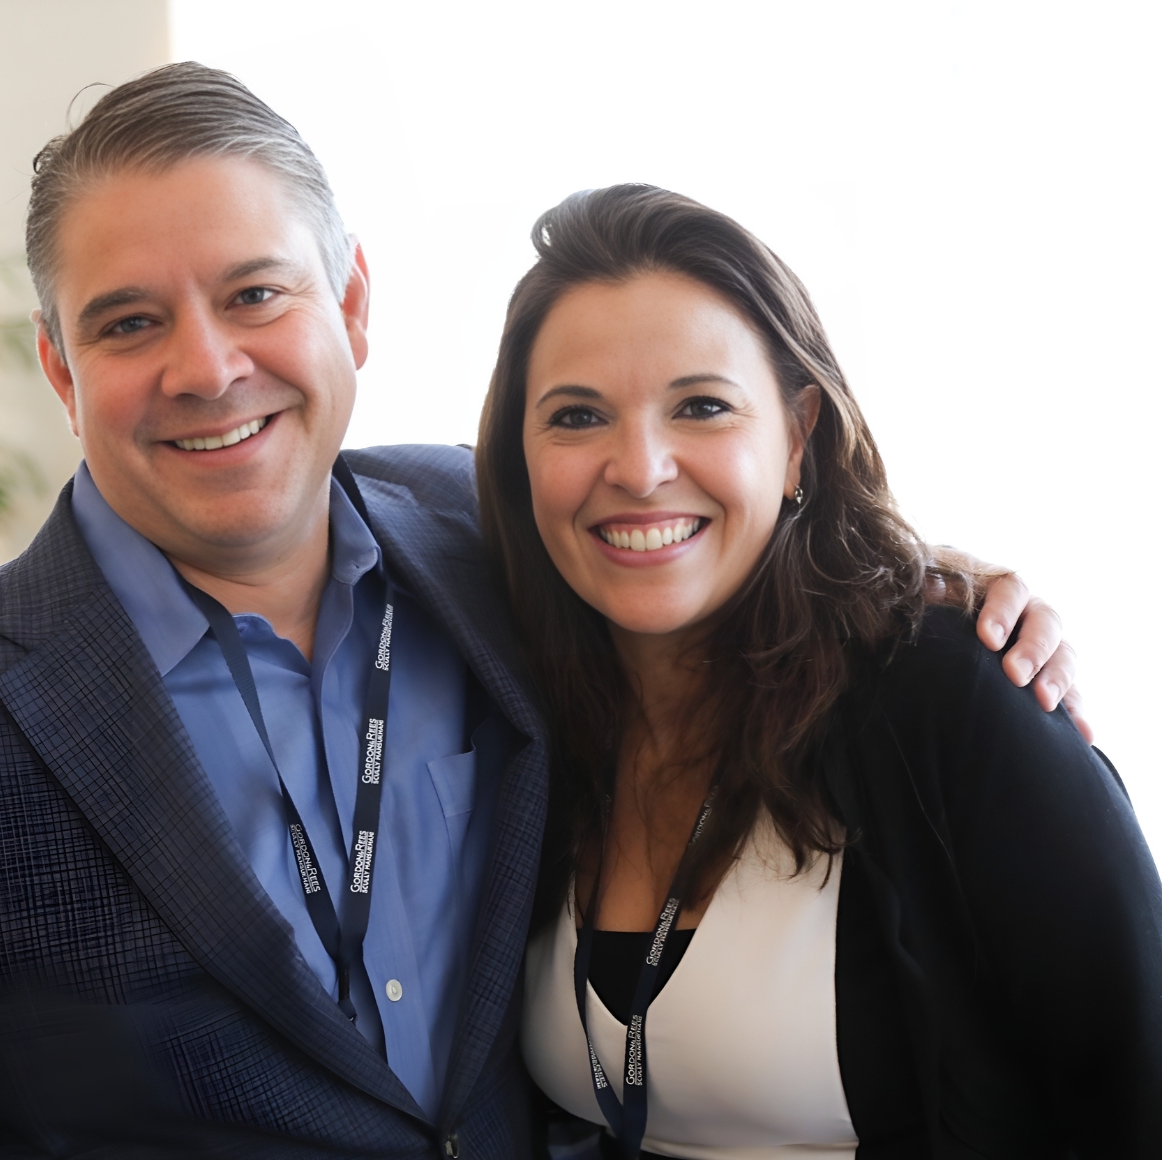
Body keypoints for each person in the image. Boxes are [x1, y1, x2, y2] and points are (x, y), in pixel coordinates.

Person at [0, 66, 1078, 1159]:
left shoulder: (500, 542)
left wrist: (928, 594)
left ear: (353, 305)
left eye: (256, 293)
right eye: (128, 322)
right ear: (59, 365)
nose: (208, 368)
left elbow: (710, 542)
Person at [476, 185, 1162, 1158]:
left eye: (701, 405)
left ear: (796, 439)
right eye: (577, 415)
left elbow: (1131, 1086)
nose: (637, 467)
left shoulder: (949, 698)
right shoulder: (512, 702)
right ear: (518, 451)